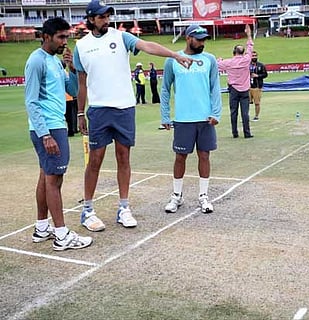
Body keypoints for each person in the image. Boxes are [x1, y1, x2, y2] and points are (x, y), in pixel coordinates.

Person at [74, 0, 193, 232]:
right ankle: (87, 210)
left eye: (108, 16)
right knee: (95, 160)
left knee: (123, 158)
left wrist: (175, 55)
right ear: (90, 19)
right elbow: (81, 83)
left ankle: (124, 207)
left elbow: (147, 46)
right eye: (101, 17)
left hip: (125, 109)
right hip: (98, 110)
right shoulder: (81, 46)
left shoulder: (121, 37)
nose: (106, 20)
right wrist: (80, 112)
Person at [25, 17, 92, 251]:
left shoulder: (55, 62)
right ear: (46, 37)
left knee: (46, 176)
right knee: (55, 180)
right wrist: (45, 135)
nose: (65, 41)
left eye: (67, 36)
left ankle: (42, 228)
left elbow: (72, 90)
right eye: (61, 37)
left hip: (56, 125)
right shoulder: (36, 61)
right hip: (49, 128)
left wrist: (72, 69)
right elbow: (31, 101)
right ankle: (62, 235)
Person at [160, 24, 221, 214]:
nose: (202, 42)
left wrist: (216, 113)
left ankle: (203, 196)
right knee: (180, 157)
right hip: (183, 119)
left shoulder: (209, 59)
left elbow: (215, 87)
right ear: (188, 38)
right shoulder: (173, 60)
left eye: (204, 39)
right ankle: (176, 196)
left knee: (204, 155)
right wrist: (165, 115)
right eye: (199, 39)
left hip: (205, 119)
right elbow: (165, 88)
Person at [217, 24, 254, 138]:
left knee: (233, 112)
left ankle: (235, 133)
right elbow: (250, 47)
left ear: (234, 52)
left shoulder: (229, 62)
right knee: (245, 113)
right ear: (242, 53)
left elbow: (217, 64)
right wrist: (249, 35)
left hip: (233, 90)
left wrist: (219, 59)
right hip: (244, 89)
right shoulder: (247, 60)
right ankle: (247, 133)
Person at [249, 50, 268, 121]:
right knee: (245, 103)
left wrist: (257, 76)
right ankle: (245, 116)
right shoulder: (247, 65)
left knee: (257, 103)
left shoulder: (261, 65)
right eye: (253, 56)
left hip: (257, 87)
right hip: (247, 87)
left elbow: (265, 74)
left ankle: (256, 116)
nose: (254, 57)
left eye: (255, 55)